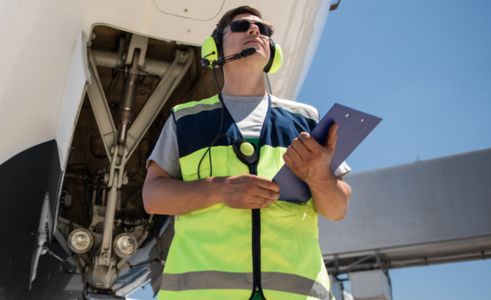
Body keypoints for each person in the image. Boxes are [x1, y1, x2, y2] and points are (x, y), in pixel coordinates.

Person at [142, 5, 352, 300]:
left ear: (273, 52)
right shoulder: (185, 120)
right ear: (215, 48)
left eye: (263, 30)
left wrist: (319, 177)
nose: (255, 31)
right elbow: (152, 197)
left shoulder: (307, 120)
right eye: (241, 27)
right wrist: (221, 190)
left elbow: (338, 208)